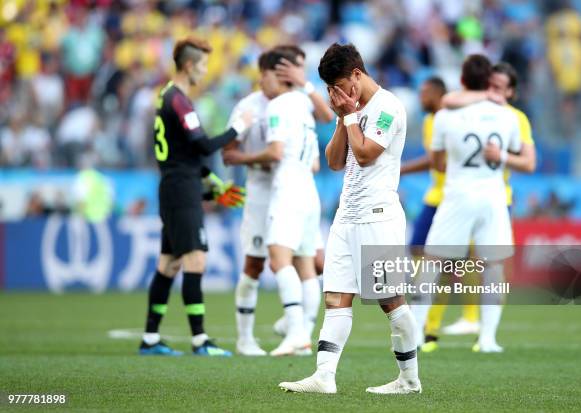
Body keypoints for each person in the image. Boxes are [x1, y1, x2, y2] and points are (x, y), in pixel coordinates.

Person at [279, 43, 421, 394]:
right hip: (347, 215)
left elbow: (367, 153)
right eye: (333, 90)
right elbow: (334, 160)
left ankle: (409, 379)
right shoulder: (352, 109)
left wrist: (350, 115)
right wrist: (344, 116)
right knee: (336, 297)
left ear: (358, 73)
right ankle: (324, 376)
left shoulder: (388, 107)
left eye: (343, 86)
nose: (341, 94)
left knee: (389, 300)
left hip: (378, 216)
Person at [139, 37, 252, 356]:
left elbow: (185, 153)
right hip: (181, 190)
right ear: (189, 65)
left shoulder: (165, 96)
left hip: (176, 185)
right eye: (202, 65)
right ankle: (200, 340)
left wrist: (214, 183)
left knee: (169, 264)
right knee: (195, 260)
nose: (204, 71)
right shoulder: (180, 100)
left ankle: (149, 338)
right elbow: (202, 147)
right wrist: (237, 130)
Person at [224, 45, 333, 356]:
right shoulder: (252, 105)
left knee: (294, 260)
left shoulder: (293, 101)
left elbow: (278, 151)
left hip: (286, 190)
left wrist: (250, 158)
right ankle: (249, 338)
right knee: (257, 264)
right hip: (265, 194)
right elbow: (230, 149)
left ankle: (298, 331)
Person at [413, 55, 522, 354]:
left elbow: (437, 162)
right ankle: (487, 339)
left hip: (458, 195)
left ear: (462, 80)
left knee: (432, 262)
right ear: (489, 81)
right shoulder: (508, 115)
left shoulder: (445, 115)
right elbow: (516, 152)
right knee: (493, 266)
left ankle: (417, 334)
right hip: (494, 196)